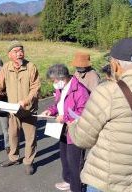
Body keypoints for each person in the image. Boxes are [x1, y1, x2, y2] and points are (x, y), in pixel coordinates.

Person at [68, 38, 132, 192]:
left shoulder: (108, 92)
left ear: (115, 65)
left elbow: (82, 139)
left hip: (106, 182)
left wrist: (73, 125)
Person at [0, 41, 41, 175]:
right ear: (10, 54)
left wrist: (26, 101)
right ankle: (13, 158)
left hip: (29, 110)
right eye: (16, 51)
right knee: (13, 135)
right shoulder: (6, 67)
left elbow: (36, 87)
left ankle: (28, 162)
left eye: (21, 50)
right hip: (13, 110)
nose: (19, 53)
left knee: (30, 138)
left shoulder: (31, 67)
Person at [41, 64, 89, 192]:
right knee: (64, 157)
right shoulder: (60, 88)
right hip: (63, 129)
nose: (54, 83)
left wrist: (65, 117)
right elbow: (58, 104)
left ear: (63, 77)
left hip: (76, 130)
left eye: (55, 80)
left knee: (75, 162)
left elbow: (83, 112)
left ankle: (76, 188)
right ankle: (68, 181)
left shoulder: (80, 90)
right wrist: (50, 111)